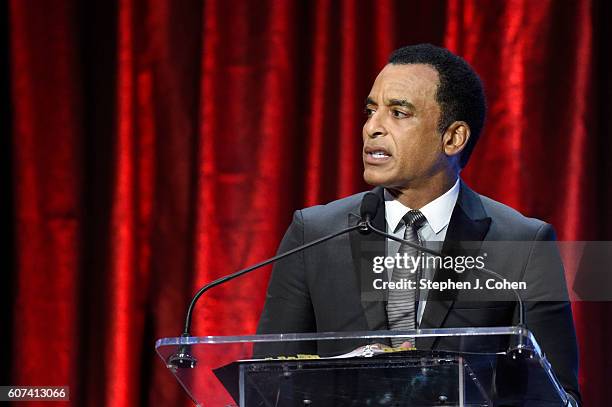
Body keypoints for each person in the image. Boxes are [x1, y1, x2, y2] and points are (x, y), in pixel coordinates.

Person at [257, 44, 580, 404]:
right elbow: (267, 382)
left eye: (398, 113)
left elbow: (559, 395)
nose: (371, 128)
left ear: (453, 137)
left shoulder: (523, 244)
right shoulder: (314, 234)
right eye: (370, 110)